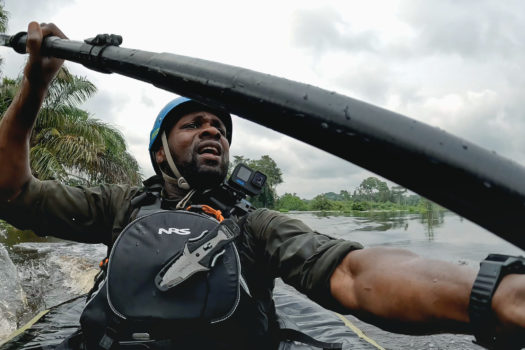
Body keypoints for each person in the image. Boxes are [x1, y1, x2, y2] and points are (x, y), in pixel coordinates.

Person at [0, 22, 524, 350]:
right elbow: (12, 192)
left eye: (220, 129)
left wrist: (491, 295)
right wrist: (35, 85)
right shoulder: (119, 207)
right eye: (193, 124)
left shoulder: (256, 224)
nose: (212, 131)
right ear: (159, 149)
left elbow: (352, 273)